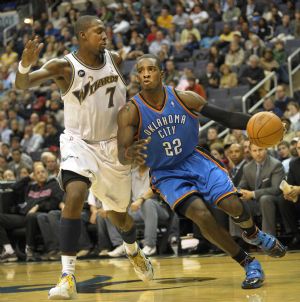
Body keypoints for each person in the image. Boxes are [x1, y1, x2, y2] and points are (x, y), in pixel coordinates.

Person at [117, 54, 286, 290]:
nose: (146, 73)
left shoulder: (185, 97)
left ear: (161, 73)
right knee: (200, 215)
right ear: (137, 76)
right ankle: (248, 262)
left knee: (232, 205)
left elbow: (226, 118)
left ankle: (252, 233)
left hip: (194, 159)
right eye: (141, 70)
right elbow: (121, 154)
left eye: (151, 69)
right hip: (166, 173)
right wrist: (128, 154)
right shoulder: (130, 111)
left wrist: (272, 124)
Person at [15, 16, 153, 300]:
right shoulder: (63, 66)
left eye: (106, 30)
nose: (105, 35)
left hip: (113, 148)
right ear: (81, 35)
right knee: (75, 193)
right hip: (79, 143)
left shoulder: (114, 59)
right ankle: (67, 276)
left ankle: (132, 249)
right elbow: (22, 85)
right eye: (98, 31)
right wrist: (25, 63)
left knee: (120, 217)